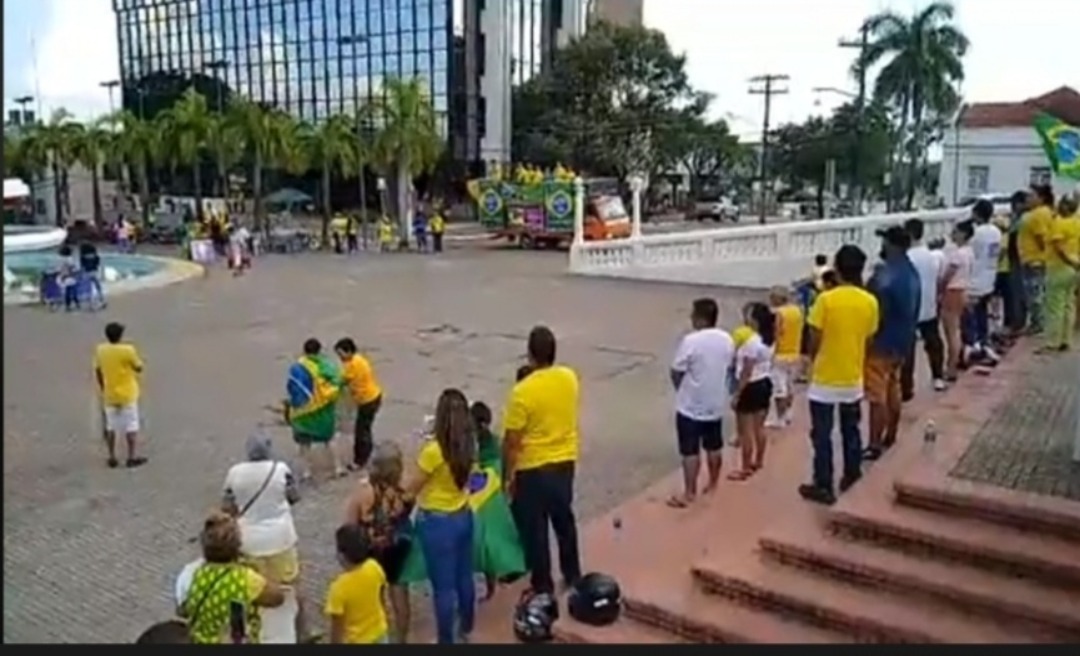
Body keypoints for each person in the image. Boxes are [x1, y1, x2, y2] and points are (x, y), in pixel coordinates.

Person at [503, 326, 583, 596]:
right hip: (565, 463)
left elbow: (512, 441)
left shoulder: (521, 392)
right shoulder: (569, 378)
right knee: (564, 521)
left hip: (532, 468)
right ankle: (572, 574)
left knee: (535, 530)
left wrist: (508, 476)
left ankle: (543, 585)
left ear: (530, 354)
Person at [798, 245, 879, 506]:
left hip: (824, 379)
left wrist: (812, 359)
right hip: (852, 377)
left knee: (822, 435)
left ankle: (823, 483)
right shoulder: (870, 301)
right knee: (851, 430)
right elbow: (869, 339)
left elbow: (814, 336)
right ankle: (852, 474)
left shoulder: (826, 300)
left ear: (838, 268)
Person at [403, 389, 476, 644]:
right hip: (463, 514)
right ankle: (466, 626)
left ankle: (446, 640)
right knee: (464, 577)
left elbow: (411, 488)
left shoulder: (433, 452)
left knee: (443, 587)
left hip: (437, 522)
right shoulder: (470, 445)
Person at [222, 432, 306, 643]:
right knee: (290, 587)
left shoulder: (234, 473)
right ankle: (301, 631)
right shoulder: (280, 469)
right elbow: (294, 496)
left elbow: (227, 507)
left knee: (245, 591)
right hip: (281, 539)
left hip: (248, 542)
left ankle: (242, 634)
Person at [342, 442, 414, 643]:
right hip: (399, 545)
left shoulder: (364, 492)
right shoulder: (404, 488)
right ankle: (402, 640)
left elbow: (350, 523)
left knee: (376, 594)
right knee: (400, 593)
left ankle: (381, 636)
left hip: (374, 549)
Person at [667, 298, 735, 507]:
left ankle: (689, 492)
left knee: (690, 450)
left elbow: (676, 370)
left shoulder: (691, 341)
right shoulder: (727, 339)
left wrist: (681, 388)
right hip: (715, 403)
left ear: (700, 318)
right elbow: (730, 366)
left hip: (690, 405)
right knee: (714, 446)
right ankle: (713, 484)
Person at [179, 511, 286, 643]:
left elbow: (182, 611)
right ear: (238, 547)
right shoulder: (246, 579)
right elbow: (277, 599)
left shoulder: (191, 574)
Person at [863, 226, 920, 461]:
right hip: (903, 338)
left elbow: (875, 312)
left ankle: (874, 442)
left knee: (877, 394)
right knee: (893, 386)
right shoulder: (911, 271)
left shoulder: (884, 276)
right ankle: (891, 433)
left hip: (882, 341)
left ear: (892, 245)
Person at [729, 302, 776, 481]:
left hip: (750, 386)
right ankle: (759, 460)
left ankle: (745, 467)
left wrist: (737, 393)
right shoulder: (769, 340)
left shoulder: (751, 342)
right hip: (764, 381)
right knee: (759, 427)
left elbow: (746, 371)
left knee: (745, 431)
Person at [285, 338, 342, 482]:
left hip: (302, 412)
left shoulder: (297, 367)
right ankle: (337, 468)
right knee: (329, 439)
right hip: (323, 411)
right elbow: (337, 383)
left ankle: (306, 472)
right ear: (319, 351)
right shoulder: (326, 366)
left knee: (304, 444)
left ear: (304, 351)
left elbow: (291, 388)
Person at [901, 218, 947, 398]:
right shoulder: (932, 255)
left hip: (911, 307)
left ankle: (907, 386)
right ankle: (938, 376)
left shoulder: (907, 257)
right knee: (933, 342)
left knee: (909, 349)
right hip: (929, 305)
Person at [325, 524, 391, 644]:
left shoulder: (338, 588)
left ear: (341, 555)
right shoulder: (374, 567)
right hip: (380, 633)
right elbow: (381, 598)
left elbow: (337, 628)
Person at [94, 322, 147, 468]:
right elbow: (139, 367)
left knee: (111, 426)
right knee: (131, 425)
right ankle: (131, 456)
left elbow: (98, 370)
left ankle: (112, 456)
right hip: (127, 393)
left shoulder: (101, 350)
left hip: (110, 394)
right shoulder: (128, 350)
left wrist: (103, 386)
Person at [963, 200, 1004, 365]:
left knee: (970, 316)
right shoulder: (996, 232)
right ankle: (984, 341)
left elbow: (969, 253)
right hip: (989, 276)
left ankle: (974, 346)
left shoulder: (977, 234)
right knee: (982, 314)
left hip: (974, 280)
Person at [334, 337, 383, 471]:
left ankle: (360, 461)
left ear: (349, 351)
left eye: (341, 354)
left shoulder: (352, 365)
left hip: (367, 401)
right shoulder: (359, 360)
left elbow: (341, 381)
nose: (340, 358)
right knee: (365, 428)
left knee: (361, 431)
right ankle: (368, 450)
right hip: (373, 396)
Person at [1042, 195, 1080, 352]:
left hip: (1059, 267)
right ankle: (1066, 339)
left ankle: (1053, 342)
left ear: (1065, 207)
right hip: (1075, 266)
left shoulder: (1058, 223)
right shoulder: (1077, 222)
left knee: (1055, 306)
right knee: (1069, 304)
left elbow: (1058, 247)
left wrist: (1068, 261)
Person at [1017, 184, 1055, 335]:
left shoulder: (1037, 215)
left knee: (1034, 293)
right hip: (1037, 259)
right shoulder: (1047, 212)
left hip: (1034, 259)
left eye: (1032, 196)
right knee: (1038, 292)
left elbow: (1042, 238)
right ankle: (1039, 322)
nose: (1028, 199)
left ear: (1041, 198)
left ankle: (1037, 323)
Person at [940, 221, 975, 380]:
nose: (952, 234)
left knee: (951, 332)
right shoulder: (969, 252)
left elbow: (947, 275)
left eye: (956, 232)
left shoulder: (957, 254)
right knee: (956, 330)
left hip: (952, 291)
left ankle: (951, 366)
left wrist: (939, 289)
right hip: (962, 289)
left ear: (963, 234)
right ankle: (955, 362)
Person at [767, 286, 803, 428]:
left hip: (781, 354)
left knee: (779, 388)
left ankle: (780, 418)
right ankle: (788, 413)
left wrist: (771, 352)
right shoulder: (797, 312)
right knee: (789, 385)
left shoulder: (779, 313)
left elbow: (777, 333)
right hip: (795, 352)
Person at [79, 242, 106, 309]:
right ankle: (102, 300)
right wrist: (102, 274)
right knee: (98, 287)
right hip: (95, 272)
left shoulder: (83, 257)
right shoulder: (95, 256)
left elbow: (82, 267)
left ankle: (90, 304)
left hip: (87, 273)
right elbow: (98, 265)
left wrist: (80, 275)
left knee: (88, 289)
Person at [58, 245, 80, 311]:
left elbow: (59, 269)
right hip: (70, 276)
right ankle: (77, 303)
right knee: (73, 291)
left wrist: (62, 276)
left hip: (64, 277)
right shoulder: (70, 259)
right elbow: (73, 268)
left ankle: (68, 306)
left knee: (67, 292)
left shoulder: (60, 259)